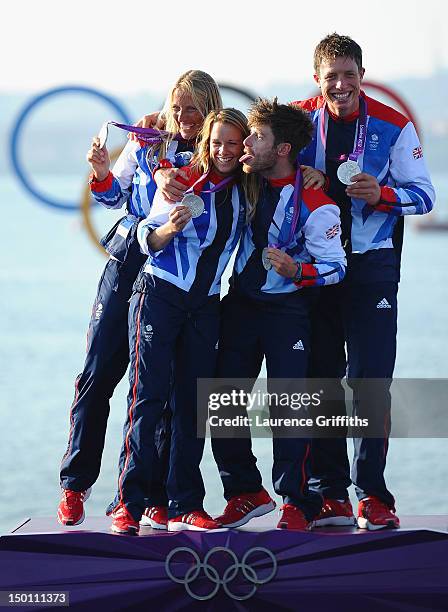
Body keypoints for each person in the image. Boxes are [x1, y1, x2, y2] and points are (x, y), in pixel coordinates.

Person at [57, 71, 222, 526]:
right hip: (130, 260)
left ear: (209, 110)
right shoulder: (148, 141)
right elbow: (115, 197)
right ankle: (76, 483)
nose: (185, 117)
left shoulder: (218, 154)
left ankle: (152, 497)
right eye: (179, 107)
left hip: (170, 277)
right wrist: (100, 172)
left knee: (161, 390)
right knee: (99, 371)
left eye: (195, 108)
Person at [294, 33, 435, 530]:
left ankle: (372, 495)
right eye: (331, 76)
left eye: (348, 74)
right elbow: (250, 156)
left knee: (371, 381)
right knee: (321, 379)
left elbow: (425, 197)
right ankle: (329, 493)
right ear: (317, 79)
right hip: (317, 265)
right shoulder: (296, 118)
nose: (340, 84)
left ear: (361, 74)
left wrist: (382, 194)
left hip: (373, 266)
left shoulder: (393, 126)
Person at [106, 108, 259, 534]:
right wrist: (168, 230)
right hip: (159, 296)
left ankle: (185, 505)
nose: (224, 151)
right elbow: (145, 237)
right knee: (147, 400)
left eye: (233, 142)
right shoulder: (178, 180)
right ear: (205, 145)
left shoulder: (247, 187)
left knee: (193, 408)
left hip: (206, 305)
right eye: (216, 143)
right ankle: (128, 504)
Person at [211, 98, 347, 530]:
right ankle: (245, 492)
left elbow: (337, 266)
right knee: (221, 400)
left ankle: (296, 500)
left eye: (257, 136)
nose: (246, 144)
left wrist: (299, 270)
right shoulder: (244, 180)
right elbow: (199, 150)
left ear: (283, 149)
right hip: (240, 305)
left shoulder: (317, 202)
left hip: (287, 311)